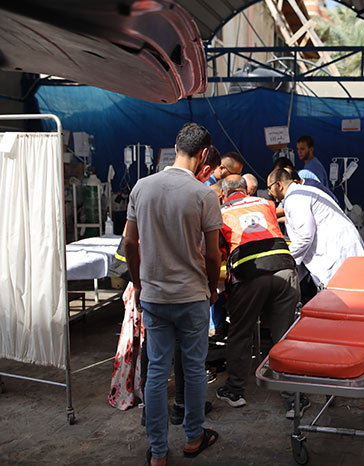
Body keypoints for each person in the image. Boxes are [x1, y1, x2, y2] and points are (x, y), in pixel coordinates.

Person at [125, 122, 221, 465]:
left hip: (154, 297)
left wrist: (138, 283)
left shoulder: (141, 187)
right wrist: (213, 287)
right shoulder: (204, 195)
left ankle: (158, 452)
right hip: (192, 296)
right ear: (205, 154)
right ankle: (194, 438)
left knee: (156, 373)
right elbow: (212, 254)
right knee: (194, 370)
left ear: (176, 146)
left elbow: (129, 243)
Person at [214, 175, 301, 416]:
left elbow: (218, 250)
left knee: (240, 334)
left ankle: (235, 391)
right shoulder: (265, 204)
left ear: (223, 194)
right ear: (246, 190)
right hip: (285, 269)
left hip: (249, 275)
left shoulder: (220, 212)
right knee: (284, 337)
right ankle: (294, 399)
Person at [267, 168, 364, 288]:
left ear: (278, 185)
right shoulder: (302, 192)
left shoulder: (295, 198)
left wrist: (280, 259)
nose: (269, 193)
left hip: (338, 254)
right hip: (339, 250)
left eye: (269, 188)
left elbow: (304, 238)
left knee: (348, 296)